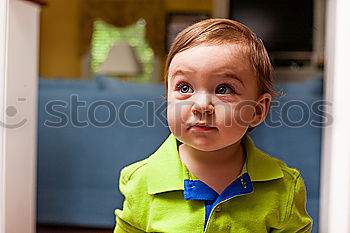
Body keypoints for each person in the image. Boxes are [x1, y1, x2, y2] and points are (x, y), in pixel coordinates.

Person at [113, 18, 312, 232]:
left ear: (257, 111)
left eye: (224, 89)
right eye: (184, 87)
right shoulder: (140, 181)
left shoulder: (284, 188)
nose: (201, 106)